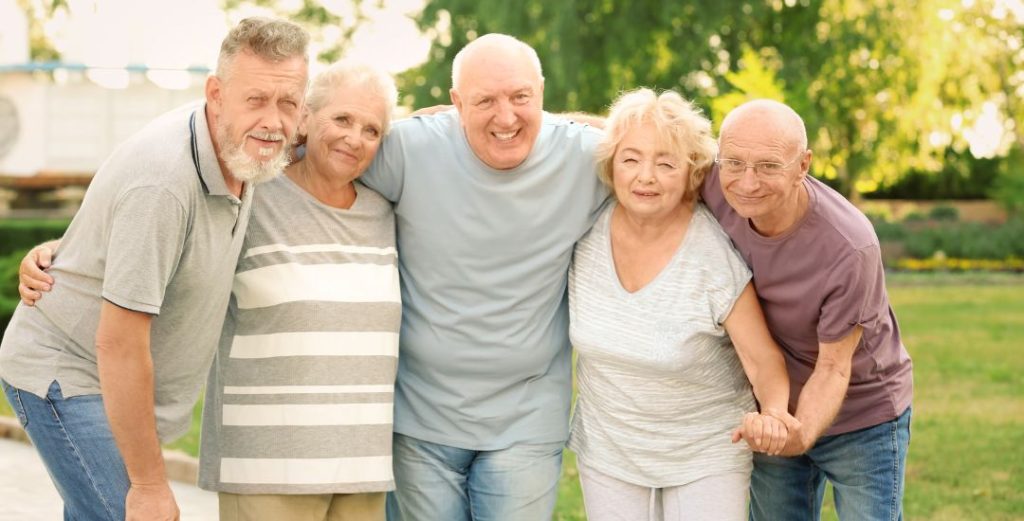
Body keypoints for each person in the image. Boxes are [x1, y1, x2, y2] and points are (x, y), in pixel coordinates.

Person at [1, 17, 309, 521]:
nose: (273, 120)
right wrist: (148, 485)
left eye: (288, 103)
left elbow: (351, 124)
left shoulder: (253, 143)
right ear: (216, 94)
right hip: (71, 373)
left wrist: (443, 125)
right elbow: (118, 343)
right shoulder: (165, 184)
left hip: (111, 381)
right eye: (255, 99)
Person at [359, 34, 608, 520]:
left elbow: (673, 154)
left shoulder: (588, 158)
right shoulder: (410, 150)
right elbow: (320, 157)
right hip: (419, 418)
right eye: (485, 101)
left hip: (526, 418)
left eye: (521, 97)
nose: (507, 117)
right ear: (455, 103)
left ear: (541, 92)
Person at [568, 88, 797, 521]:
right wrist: (458, 112)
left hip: (706, 452)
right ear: (611, 165)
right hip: (608, 448)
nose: (646, 177)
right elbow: (546, 130)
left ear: (692, 173)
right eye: (631, 160)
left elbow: (763, 358)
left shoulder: (711, 254)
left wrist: (774, 414)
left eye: (666, 163)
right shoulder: (585, 233)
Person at [197, 60, 400, 521]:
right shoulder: (251, 194)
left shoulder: (385, 214)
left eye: (372, 129)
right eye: (343, 119)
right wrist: (60, 250)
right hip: (267, 467)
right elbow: (167, 243)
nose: (355, 138)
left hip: (362, 467)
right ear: (306, 118)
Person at [702, 99, 913, 520]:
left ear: (803, 165)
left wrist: (796, 435)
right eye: (735, 162)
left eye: (768, 166)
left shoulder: (848, 247)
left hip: (862, 412)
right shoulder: (714, 181)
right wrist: (548, 123)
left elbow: (834, 368)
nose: (747, 182)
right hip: (774, 400)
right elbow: (646, 135)